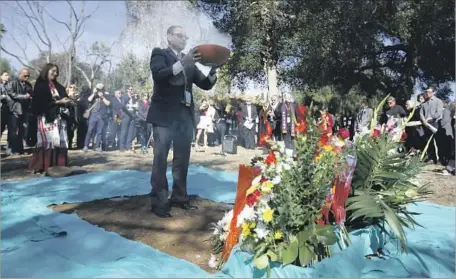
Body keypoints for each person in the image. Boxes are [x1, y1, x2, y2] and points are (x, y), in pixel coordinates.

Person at [146, 25, 217, 218]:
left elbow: (205, 83)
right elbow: (159, 75)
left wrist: (212, 70)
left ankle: (179, 197)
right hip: (164, 115)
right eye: (180, 35)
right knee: (160, 159)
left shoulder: (189, 61)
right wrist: (182, 62)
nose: (184, 38)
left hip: (184, 116)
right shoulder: (159, 53)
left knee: (182, 160)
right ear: (169, 37)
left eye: (186, 36)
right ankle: (159, 202)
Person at [29, 63, 72, 173]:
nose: (55, 73)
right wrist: (58, 101)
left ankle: (59, 164)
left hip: (59, 117)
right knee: (47, 141)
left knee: (59, 140)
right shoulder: (40, 86)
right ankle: (43, 165)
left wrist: (67, 101)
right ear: (46, 71)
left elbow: (64, 97)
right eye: (52, 71)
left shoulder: (58, 86)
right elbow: (39, 103)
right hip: (46, 117)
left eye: (56, 72)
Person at [5, 68, 33, 155]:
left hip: (25, 110)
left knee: (23, 130)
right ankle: (11, 149)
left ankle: (20, 149)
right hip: (14, 110)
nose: (27, 77)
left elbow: (31, 94)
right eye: (25, 75)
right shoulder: (12, 82)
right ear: (19, 74)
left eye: (28, 76)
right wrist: (24, 96)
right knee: (13, 131)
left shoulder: (28, 84)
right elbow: (11, 93)